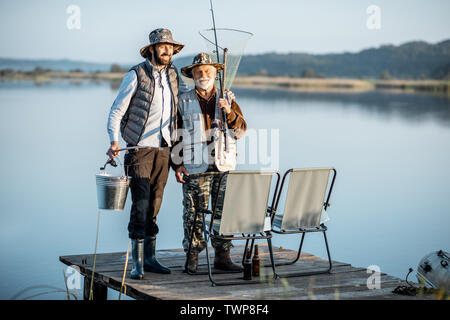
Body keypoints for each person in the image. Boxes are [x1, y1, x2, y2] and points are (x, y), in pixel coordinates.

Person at [106, 28, 188, 280]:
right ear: (151, 48)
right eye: (162, 46)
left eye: (170, 46)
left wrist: (217, 101)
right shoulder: (136, 74)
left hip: (164, 151)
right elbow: (116, 112)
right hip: (138, 150)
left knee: (155, 204)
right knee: (140, 206)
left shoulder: (174, 75)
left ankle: (151, 259)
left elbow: (187, 104)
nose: (167, 50)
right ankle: (137, 263)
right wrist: (114, 141)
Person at [172, 53, 247, 273]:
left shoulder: (228, 98)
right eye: (198, 72)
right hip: (194, 166)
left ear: (215, 75)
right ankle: (192, 257)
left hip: (223, 165)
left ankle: (222, 257)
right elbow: (174, 135)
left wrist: (229, 110)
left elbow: (240, 131)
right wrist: (177, 165)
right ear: (192, 75)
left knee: (223, 213)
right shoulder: (182, 100)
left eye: (207, 72)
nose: (203, 75)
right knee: (193, 212)